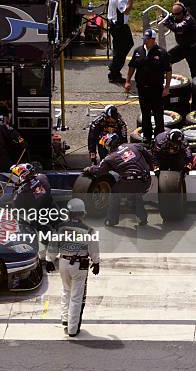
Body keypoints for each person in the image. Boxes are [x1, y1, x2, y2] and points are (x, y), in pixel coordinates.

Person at [45, 198, 100, 337]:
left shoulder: (60, 227)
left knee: (66, 291)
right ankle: (72, 329)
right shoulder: (89, 230)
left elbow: (53, 244)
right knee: (76, 297)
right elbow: (93, 248)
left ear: (68, 213)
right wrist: (96, 262)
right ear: (82, 214)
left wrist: (49, 260)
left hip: (63, 263)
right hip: (79, 266)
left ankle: (65, 319)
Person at [84, 133, 153, 227]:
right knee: (136, 194)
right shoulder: (133, 146)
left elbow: (99, 171)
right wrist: (152, 167)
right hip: (147, 180)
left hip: (130, 182)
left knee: (115, 195)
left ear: (108, 146)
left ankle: (112, 220)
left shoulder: (109, 158)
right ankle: (143, 218)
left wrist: (89, 169)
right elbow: (148, 154)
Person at [125, 29, 172, 144]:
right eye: (144, 39)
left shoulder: (162, 53)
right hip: (142, 89)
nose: (145, 41)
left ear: (153, 40)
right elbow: (132, 67)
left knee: (158, 114)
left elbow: (168, 71)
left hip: (156, 89)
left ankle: (159, 137)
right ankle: (146, 137)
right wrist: (127, 81)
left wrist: (166, 88)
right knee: (145, 114)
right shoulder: (138, 51)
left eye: (147, 39)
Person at [107, 0, 136, 83]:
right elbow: (126, 11)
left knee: (121, 48)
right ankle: (114, 71)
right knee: (122, 49)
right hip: (119, 27)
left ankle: (114, 68)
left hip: (117, 25)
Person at [162, 2, 196, 88]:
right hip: (182, 47)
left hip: (193, 49)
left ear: (183, 11)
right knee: (167, 58)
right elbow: (171, 21)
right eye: (174, 14)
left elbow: (178, 28)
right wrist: (164, 18)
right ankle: (162, 81)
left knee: (195, 72)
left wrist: (167, 23)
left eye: (178, 14)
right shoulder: (175, 17)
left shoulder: (188, 19)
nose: (176, 16)